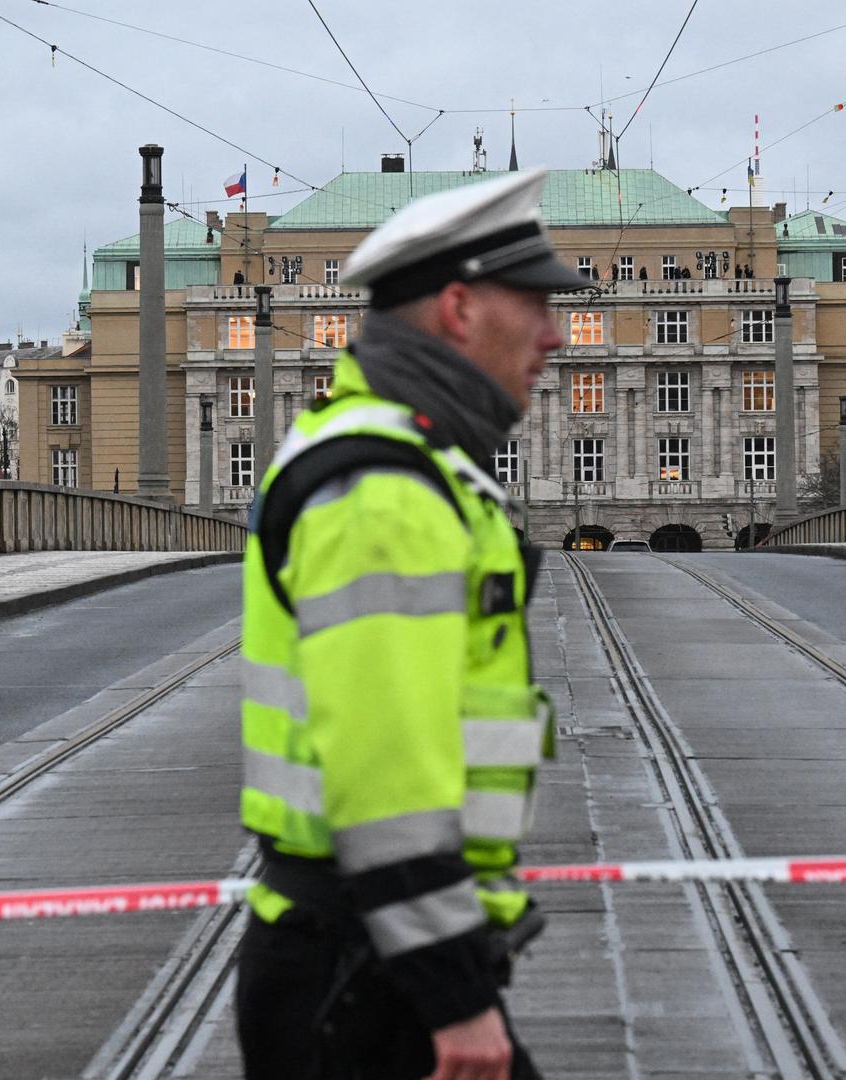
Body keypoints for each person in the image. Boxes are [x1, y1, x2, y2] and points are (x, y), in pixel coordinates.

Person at [236, 169, 583, 1080]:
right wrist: (454, 996)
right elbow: (385, 766)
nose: (556, 335)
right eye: (538, 305)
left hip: (374, 950)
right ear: (460, 308)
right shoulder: (386, 490)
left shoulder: (409, 457)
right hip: (367, 971)